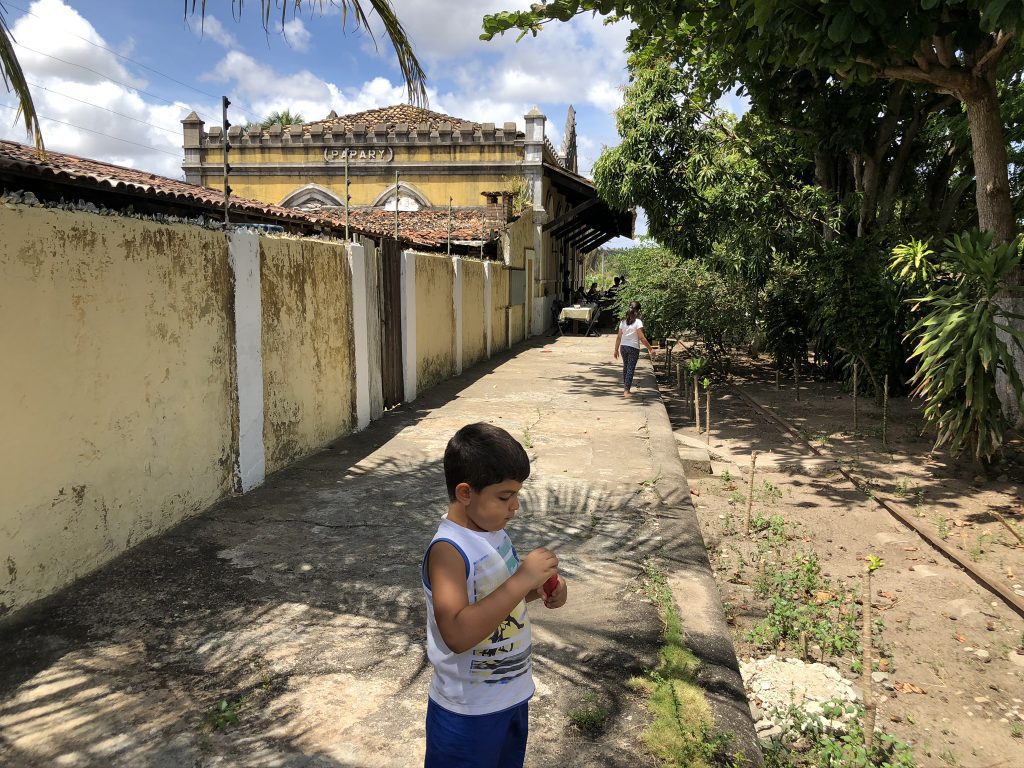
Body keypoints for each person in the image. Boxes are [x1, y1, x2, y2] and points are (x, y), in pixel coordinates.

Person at [422, 423, 568, 768]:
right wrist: (522, 580)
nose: (515, 506)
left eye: (517, 494)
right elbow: (457, 634)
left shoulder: (494, 534)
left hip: (512, 697)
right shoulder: (449, 551)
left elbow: (497, 599)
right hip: (467, 714)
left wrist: (540, 590)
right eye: (504, 497)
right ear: (465, 493)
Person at [613, 301, 654, 398]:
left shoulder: (623, 322)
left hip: (623, 347)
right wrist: (651, 349)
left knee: (626, 368)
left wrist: (616, 350)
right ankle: (626, 391)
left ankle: (626, 388)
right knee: (630, 368)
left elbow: (619, 337)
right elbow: (642, 338)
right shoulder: (638, 322)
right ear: (639, 311)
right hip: (633, 348)